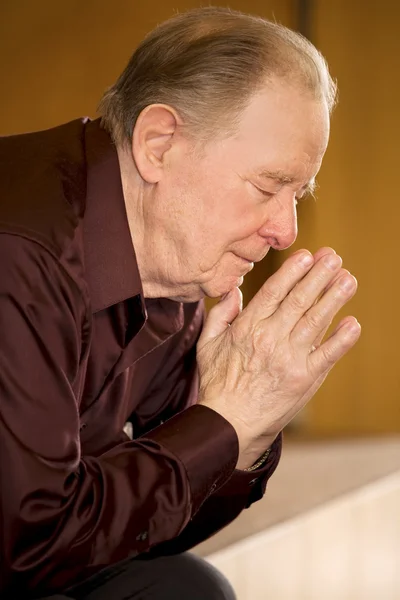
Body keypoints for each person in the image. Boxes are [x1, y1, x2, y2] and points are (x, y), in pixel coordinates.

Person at [0, 6, 361, 600]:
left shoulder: (178, 269)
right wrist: (223, 424)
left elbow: (153, 529)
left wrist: (245, 429)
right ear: (159, 144)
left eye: (299, 193)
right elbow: (27, 545)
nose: (287, 231)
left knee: (182, 588)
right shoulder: (21, 253)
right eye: (268, 187)